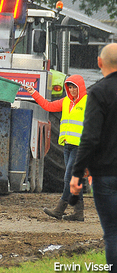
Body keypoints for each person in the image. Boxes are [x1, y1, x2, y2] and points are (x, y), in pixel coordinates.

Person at [71, 43, 117, 266]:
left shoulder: (97, 92)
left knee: (112, 233)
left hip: (106, 175)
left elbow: (89, 138)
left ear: (99, 62)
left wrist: (77, 173)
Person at [24, 74, 87, 221]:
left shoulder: (88, 103)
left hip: (81, 147)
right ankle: (79, 213)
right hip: (68, 146)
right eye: (69, 87)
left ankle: (60, 209)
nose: (71, 90)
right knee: (74, 179)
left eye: (74, 87)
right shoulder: (65, 102)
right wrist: (34, 93)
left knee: (69, 178)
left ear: (80, 88)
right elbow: (48, 106)